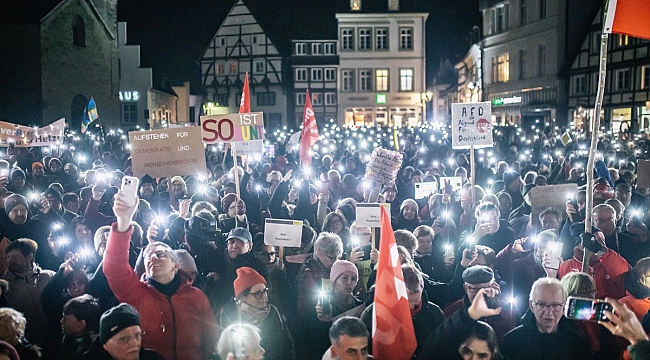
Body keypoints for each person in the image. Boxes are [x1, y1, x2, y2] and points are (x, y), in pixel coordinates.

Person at [103, 189, 218, 360]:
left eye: (161, 254)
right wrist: (123, 221)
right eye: (149, 255)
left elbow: (211, 342)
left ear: (175, 265)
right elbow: (114, 267)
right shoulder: (136, 294)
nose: (153, 257)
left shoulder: (197, 297)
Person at [361, 264, 444, 358]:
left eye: (415, 301)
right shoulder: (372, 315)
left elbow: (444, 346)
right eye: (405, 302)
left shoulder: (434, 314)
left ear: (422, 287)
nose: (411, 306)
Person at [500, 278, 590, 360]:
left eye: (555, 305)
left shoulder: (577, 344)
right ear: (531, 305)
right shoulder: (512, 342)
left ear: (564, 307)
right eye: (542, 305)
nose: (549, 312)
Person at [219, 267, 295, 360]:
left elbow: (287, 345)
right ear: (242, 298)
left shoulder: (272, 312)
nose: (264, 297)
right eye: (258, 294)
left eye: (265, 291)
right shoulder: (228, 316)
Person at [1, 239, 55, 348]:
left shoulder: (49, 277)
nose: (10, 261)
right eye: (7, 257)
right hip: (23, 343)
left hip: (52, 337)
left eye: (15, 256)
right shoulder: (4, 285)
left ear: (29, 256)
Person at [443, 265, 516, 339]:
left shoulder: (506, 312)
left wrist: (497, 310)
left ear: (494, 287)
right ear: (465, 288)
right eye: (474, 289)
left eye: (485, 288)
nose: (480, 293)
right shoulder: (451, 312)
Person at [560, 272, 620, 360]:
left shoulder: (600, 318)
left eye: (592, 291)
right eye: (584, 292)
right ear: (569, 295)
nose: (590, 296)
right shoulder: (563, 323)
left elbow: (611, 348)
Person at [558, 230, 630, 299]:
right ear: (581, 244)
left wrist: (600, 251)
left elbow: (625, 271)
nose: (602, 244)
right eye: (595, 241)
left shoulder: (610, 262)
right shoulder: (567, 266)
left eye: (603, 240)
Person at [81, 303, 165, 360]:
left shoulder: (152, 358)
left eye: (137, 335)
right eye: (124, 339)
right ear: (105, 345)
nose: (134, 343)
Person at [59, 295, 102, 360]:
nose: (61, 321)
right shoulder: (70, 338)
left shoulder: (91, 349)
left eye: (66, 318)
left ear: (81, 324)